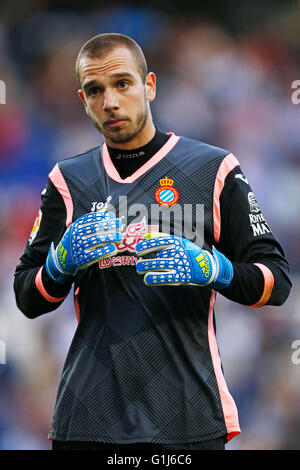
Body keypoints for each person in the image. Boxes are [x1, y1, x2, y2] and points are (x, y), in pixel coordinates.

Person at [14, 33, 292, 451]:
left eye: (122, 83)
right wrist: (58, 263)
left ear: (150, 85)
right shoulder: (68, 180)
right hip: (89, 418)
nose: (110, 101)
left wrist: (215, 269)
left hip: (188, 416)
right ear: (83, 99)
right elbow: (26, 296)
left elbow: (277, 281)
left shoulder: (213, 168)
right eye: (95, 90)